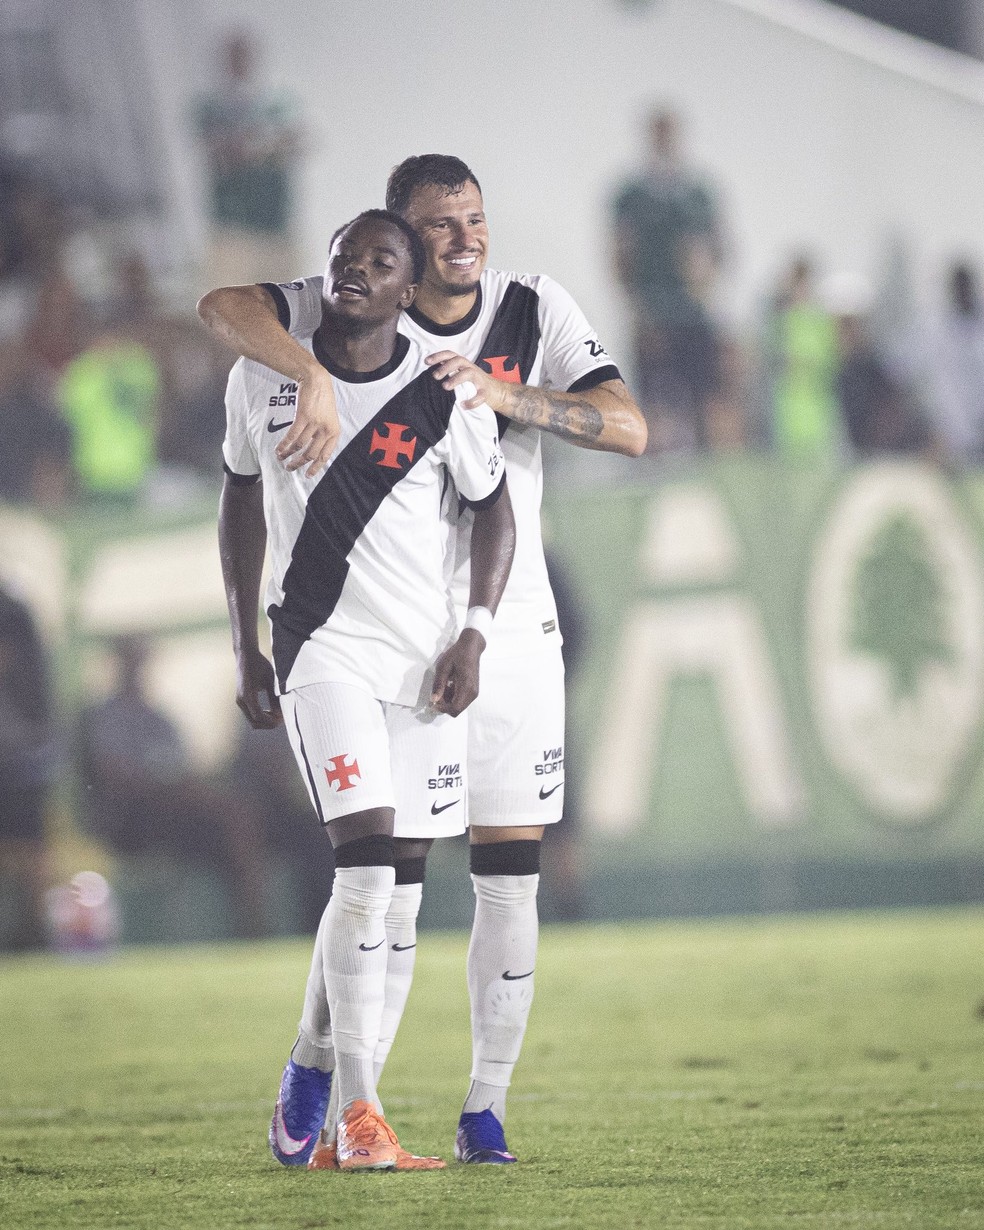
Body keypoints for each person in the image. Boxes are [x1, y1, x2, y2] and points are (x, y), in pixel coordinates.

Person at [197, 154, 646, 1166]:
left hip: (505, 633)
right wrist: (309, 372)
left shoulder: (529, 311)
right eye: (438, 224)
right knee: (386, 881)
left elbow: (628, 428)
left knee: (509, 878)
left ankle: (482, 1111)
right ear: (395, 236)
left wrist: (504, 394)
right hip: (388, 639)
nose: (464, 238)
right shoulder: (342, 296)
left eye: (473, 218)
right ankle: (337, 1080)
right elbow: (222, 308)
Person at [217, 207, 515, 1171]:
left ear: (408, 289)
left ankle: (312, 1064)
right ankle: (361, 1114)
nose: (354, 270)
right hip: (321, 652)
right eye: (345, 255)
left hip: (421, 665)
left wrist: (475, 631)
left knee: (398, 902)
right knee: (365, 870)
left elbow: (494, 508)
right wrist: (245, 644)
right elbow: (238, 496)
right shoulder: (261, 375)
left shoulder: (442, 390)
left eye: (380, 262)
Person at [78, 634, 269, 939]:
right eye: (131, 661)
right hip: (129, 821)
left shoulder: (159, 719)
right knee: (229, 815)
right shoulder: (104, 716)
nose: (137, 669)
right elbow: (112, 773)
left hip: (171, 818)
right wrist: (165, 785)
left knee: (236, 820)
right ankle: (253, 922)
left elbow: (183, 768)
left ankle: (250, 921)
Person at [611, 106, 725, 452]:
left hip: (692, 314)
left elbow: (717, 247)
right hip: (652, 313)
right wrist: (635, 307)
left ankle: (704, 464)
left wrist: (705, 286)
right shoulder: (631, 196)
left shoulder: (697, 194)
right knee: (654, 403)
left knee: (701, 398)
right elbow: (621, 253)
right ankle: (655, 467)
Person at [193, 29, 304, 290]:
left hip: (275, 225)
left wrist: (252, 146)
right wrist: (264, 146)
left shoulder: (278, 104)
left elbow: (295, 140)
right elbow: (221, 149)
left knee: (282, 301)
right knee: (231, 297)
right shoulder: (210, 108)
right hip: (233, 227)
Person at [0, 583, 57, 951]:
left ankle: (34, 932)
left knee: (32, 849)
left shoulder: (14, 612)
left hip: (18, 764)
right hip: (20, 757)